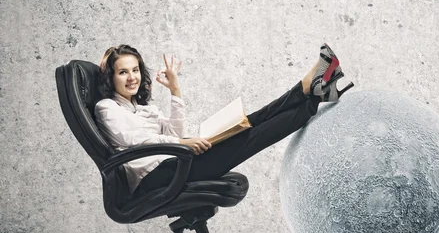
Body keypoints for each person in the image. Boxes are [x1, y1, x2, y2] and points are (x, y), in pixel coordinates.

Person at [94, 44, 354, 197]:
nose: (132, 77)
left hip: (173, 163)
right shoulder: (106, 108)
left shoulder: (141, 108)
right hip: (154, 178)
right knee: (251, 138)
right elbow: (137, 141)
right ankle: (313, 94)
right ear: (111, 78)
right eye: (123, 72)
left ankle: (311, 90)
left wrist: (175, 91)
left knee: (248, 122)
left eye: (135, 70)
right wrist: (182, 144)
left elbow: (174, 130)